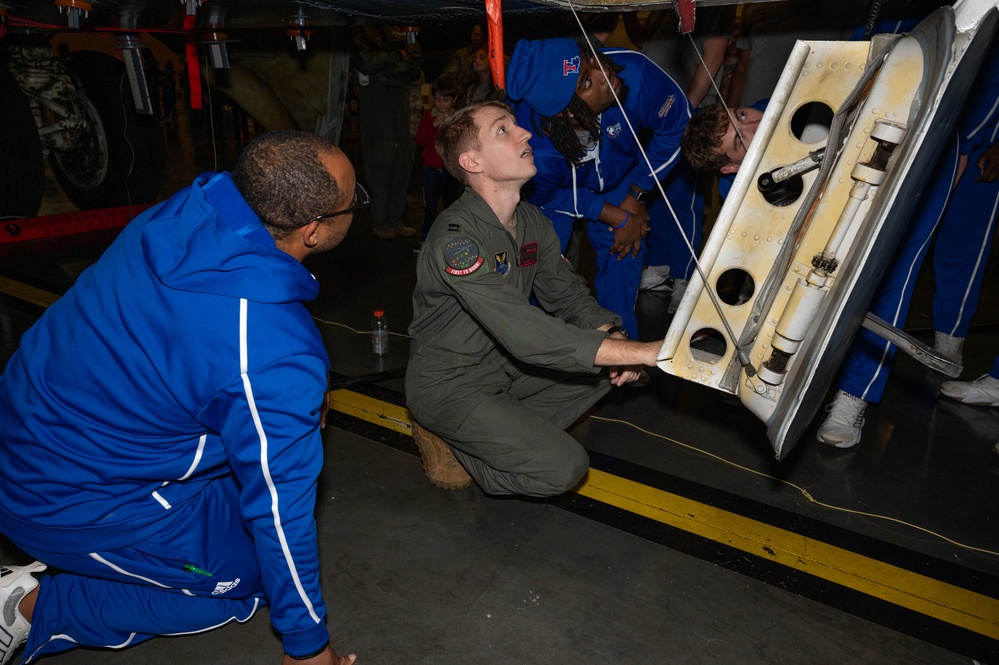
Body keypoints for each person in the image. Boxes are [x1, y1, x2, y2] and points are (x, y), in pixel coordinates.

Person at [0, 131, 361, 665]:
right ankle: (30, 605)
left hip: (30, 423)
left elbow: (201, 355)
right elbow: (281, 512)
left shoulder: (182, 211)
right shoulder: (269, 348)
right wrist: (308, 648)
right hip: (64, 498)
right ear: (312, 229)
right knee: (250, 580)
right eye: (356, 202)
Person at [406, 100, 663, 496]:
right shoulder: (455, 241)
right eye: (503, 130)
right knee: (565, 468)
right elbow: (525, 333)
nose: (525, 133)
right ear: (472, 162)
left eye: (517, 126)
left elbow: (570, 297)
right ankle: (457, 444)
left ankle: (495, 430)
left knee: (606, 367)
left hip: (506, 371)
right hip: (451, 383)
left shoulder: (531, 222)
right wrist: (643, 351)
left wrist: (615, 335)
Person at [681, 98, 959, 449]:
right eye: (740, 141)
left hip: (911, 159)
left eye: (743, 115)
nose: (755, 126)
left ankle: (853, 398)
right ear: (730, 168)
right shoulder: (740, 190)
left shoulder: (803, 100)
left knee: (888, 283)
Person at [506, 38, 690, 339]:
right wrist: (612, 214)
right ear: (567, 113)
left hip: (619, 170)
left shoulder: (635, 74)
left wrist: (636, 195)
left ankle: (621, 347)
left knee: (626, 245)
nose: (604, 71)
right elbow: (549, 196)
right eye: (587, 81)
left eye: (589, 57)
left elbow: (677, 127)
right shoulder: (534, 149)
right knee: (540, 263)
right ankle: (535, 347)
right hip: (559, 188)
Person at [352, 25, 421, 240]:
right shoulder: (358, 33)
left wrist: (385, 66)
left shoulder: (396, 29)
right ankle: (381, 222)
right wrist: (397, 57)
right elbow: (366, 61)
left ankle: (396, 220)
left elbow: (414, 61)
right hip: (375, 100)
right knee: (381, 160)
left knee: (402, 160)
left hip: (398, 96)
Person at [415, 74, 462, 246]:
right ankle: (425, 237)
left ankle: (452, 237)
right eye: (437, 100)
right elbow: (420, 141)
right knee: (430, 206)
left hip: (451, 170)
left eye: (446, 100)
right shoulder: (429, 117)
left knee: (451, 205)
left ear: (454, 99)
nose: (441, 104)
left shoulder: (458, 118)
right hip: (431, 169)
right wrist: (432, 124)